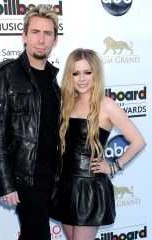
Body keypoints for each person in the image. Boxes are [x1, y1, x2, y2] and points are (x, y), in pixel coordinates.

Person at [50, 48, 146, 240]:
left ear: (96, 74)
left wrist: (113, 167)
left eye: (87, 72)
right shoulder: (66, 103)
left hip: (90, 187)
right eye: (76, 73)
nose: (82, 79)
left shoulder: (106, 105)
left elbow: (139, 141)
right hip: (65, 185)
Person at [0, 4, 61, 240]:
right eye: (35, 32)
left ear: (55, 40)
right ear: (24, 36)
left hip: (55, 176)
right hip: (26, 178)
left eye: (47, 33)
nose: (41, 39)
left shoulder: (55, 79)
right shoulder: (5, 74)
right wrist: (6, 184)